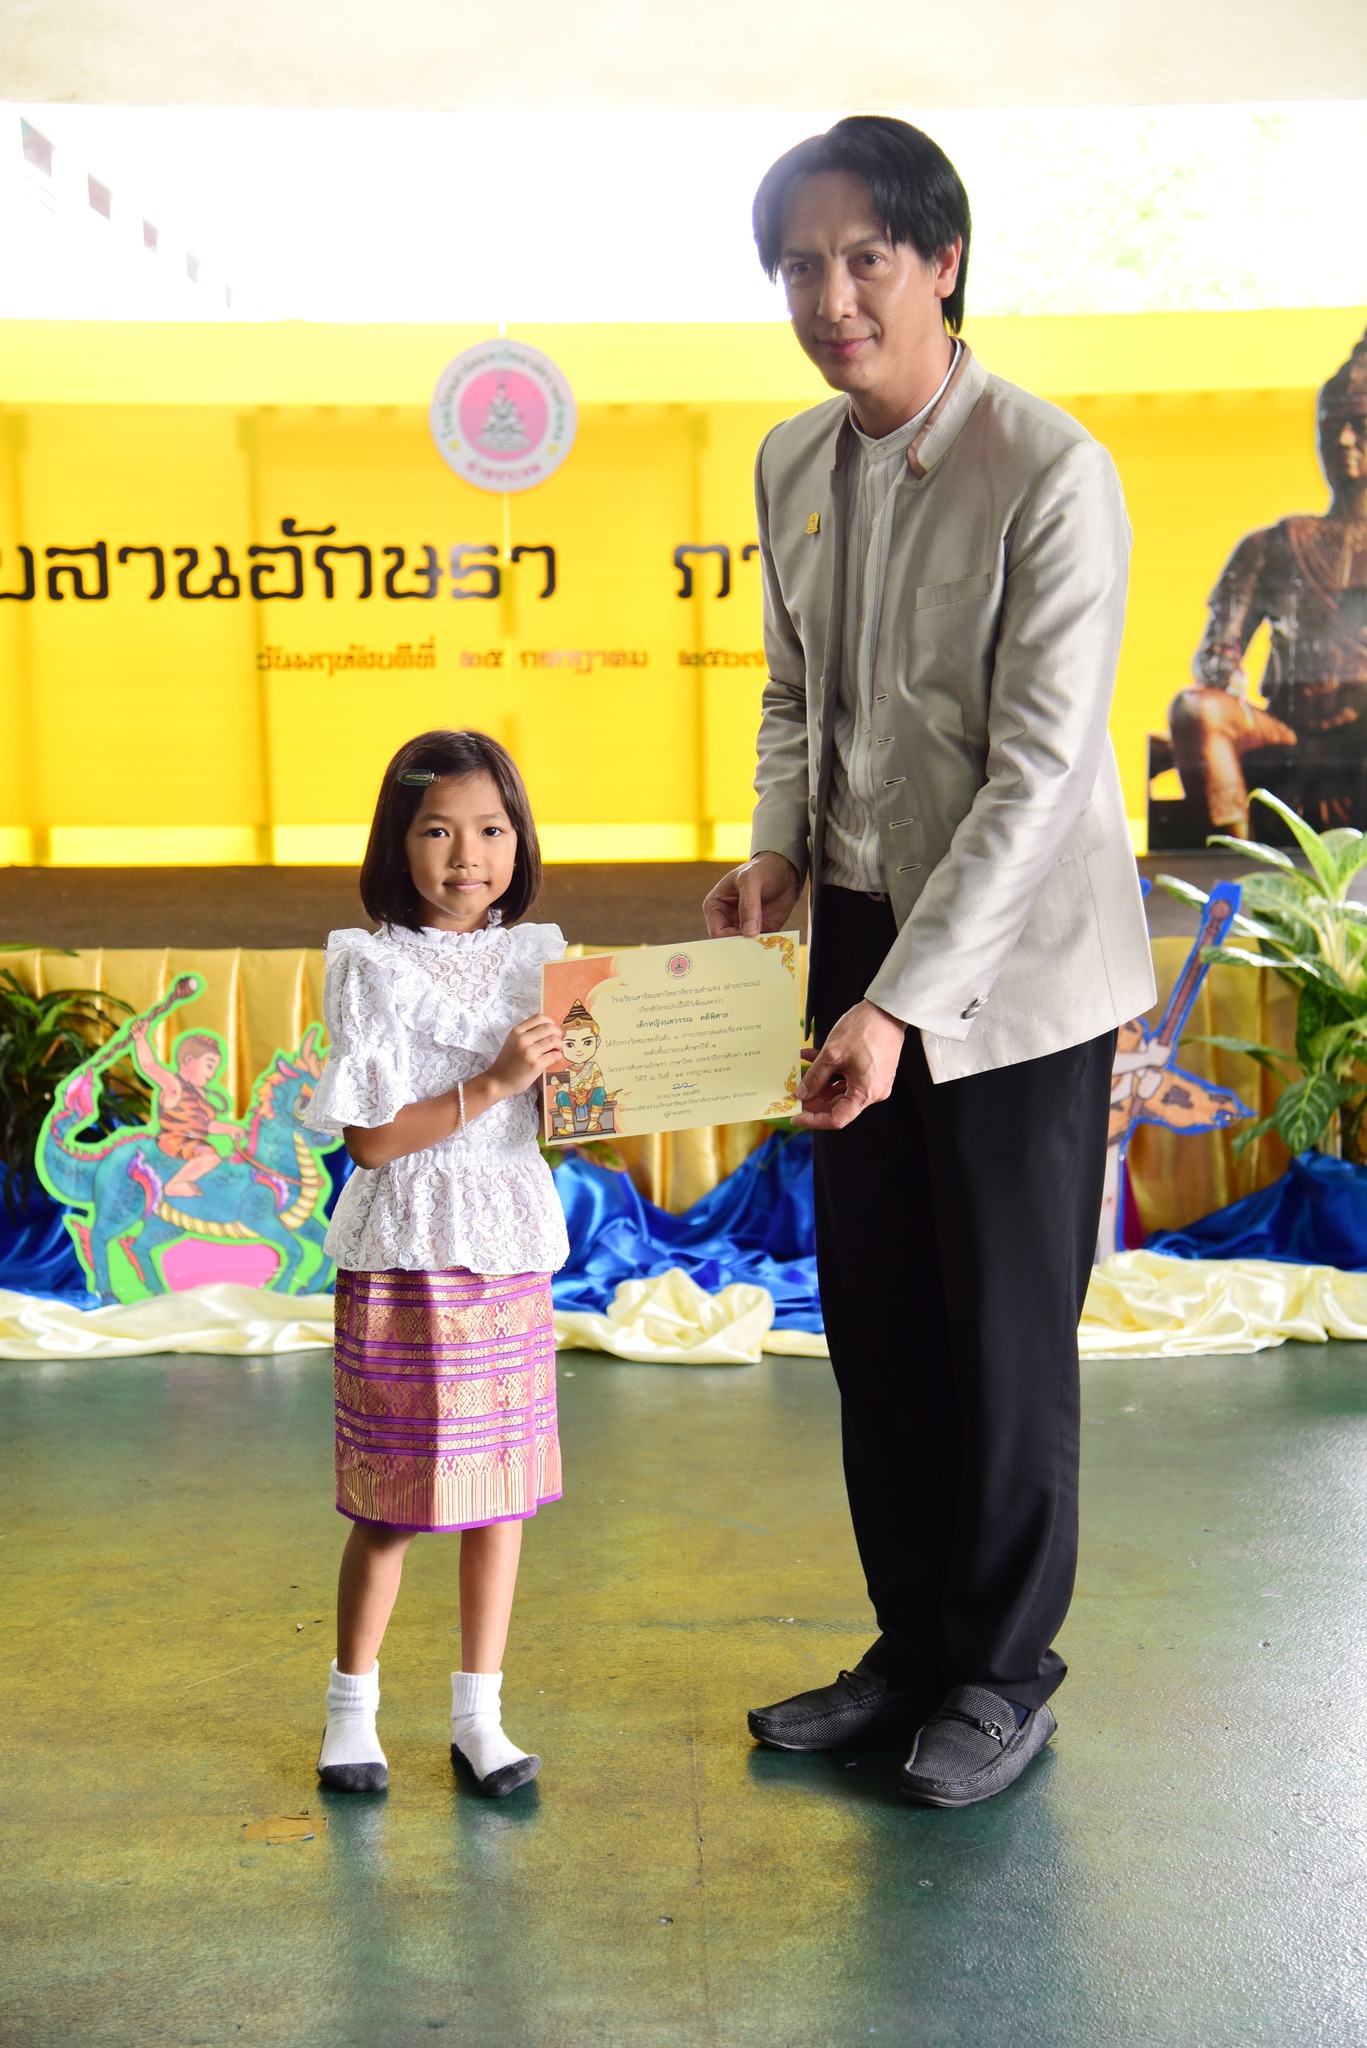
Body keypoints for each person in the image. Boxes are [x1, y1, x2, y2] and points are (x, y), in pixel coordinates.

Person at [704, 116, 1155, 1807]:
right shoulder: (788, 462)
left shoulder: (1050, 469)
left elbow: (1037, 779)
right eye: (797, 267)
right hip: (855, 930)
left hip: (1018, 968)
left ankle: (1001, 1673)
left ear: (941, 262)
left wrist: (897, 1004)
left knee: (1003, 1338)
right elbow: (791, 695)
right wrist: (776, 845)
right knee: (878, 1319)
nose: (828, 299)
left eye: (862, 259)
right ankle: (908, 1647)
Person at [301, 728, 568, 1798]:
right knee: (392, 1502)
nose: (469, 856)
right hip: (405, 1253)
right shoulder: (369, 964)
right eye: (438, 831)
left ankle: (479, 1718)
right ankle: (349, 1712)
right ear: (396, 842)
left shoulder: (542, 956)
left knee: (500, 1496)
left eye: (492, 829)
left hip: (505, 1248)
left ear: (520, 839)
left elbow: (571, 1105)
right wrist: (496, 1081)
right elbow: (370, 1141)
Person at [1168, 328, 1367, 837]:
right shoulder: (1271, 546)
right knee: (1195, 710)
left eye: (1358, 423)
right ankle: (1236, 858)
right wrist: (1223, 669)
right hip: (1287, 736)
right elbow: (1219, 649)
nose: (1343, 439)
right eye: (1331, 425)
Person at [129, 1023, 240, 1199]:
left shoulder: (201, 1094)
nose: (212, 1075)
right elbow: (149, 1065)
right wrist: (140, 1038)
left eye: (214, 1069)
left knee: (217, 1157)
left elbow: (205, 1125)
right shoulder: (174, 1086)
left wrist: (231, 1129)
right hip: (173, 1140)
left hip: (194, 1142)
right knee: (210, 1155)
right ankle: (174, 1185)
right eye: (209, 1066)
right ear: (188, 1061)